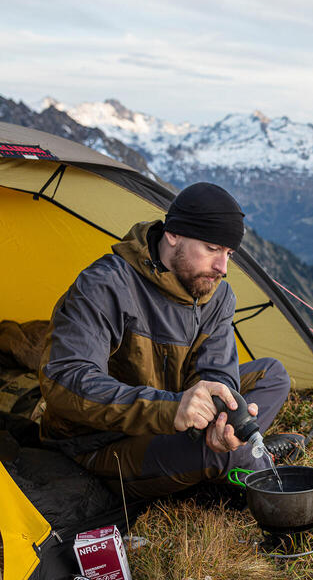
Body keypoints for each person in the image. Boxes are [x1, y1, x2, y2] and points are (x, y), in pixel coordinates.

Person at [38, 182, 294, 500]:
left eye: (229, 253)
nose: (223, 268)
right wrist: (169, 408)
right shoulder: (106, 286)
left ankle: (229, 454)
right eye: (213, 249)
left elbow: (216, 373)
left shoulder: (216, 296)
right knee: (226, 455)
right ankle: (248, 466)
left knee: (273, 374)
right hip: (100, 444)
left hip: (172, 418)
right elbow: (64, 381)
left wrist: (221, 420)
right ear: (173, 235)